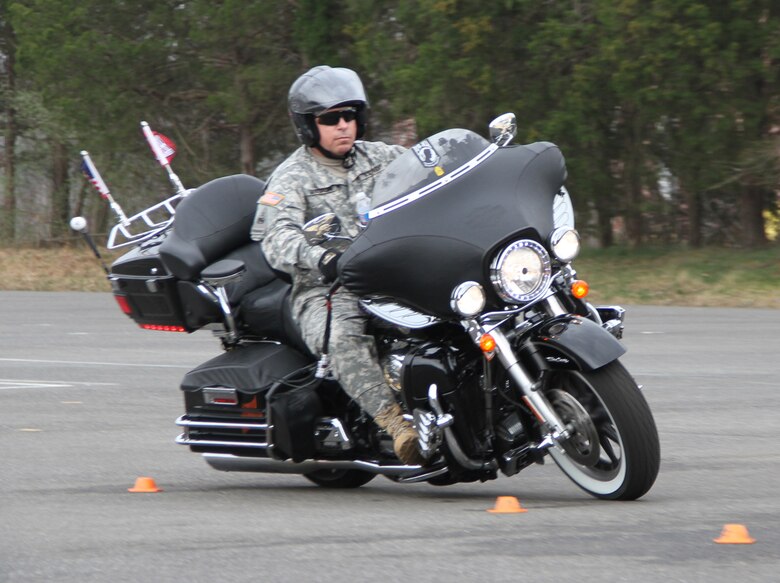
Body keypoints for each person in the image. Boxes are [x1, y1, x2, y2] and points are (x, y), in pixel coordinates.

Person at [250, 65, 424, 465]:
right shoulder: (291, 178)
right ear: (309, 126)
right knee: (344, 339)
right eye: (330, 119)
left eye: (349, 115)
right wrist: (322, 258)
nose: (343, 125)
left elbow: (432, 169)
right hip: (327, 287)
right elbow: (276, 239)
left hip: (394, 270)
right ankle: (397, 425)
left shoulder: (383, 157)